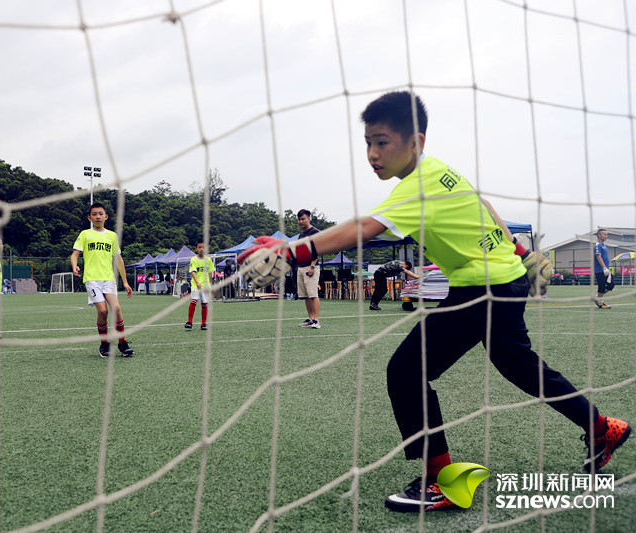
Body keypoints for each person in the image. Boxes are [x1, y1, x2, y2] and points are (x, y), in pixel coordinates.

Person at [237, 91, 630, 513]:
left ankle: (439, 480)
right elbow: (483, 205)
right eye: (367, 142)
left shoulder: (415, 188)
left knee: (406, 371)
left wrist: (293, 251)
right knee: (517, 365)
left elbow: (364, 228)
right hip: (505, 280)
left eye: (382, 142)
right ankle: (601, 427)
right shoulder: (440, 170)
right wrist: (519, 251)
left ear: (416, 142)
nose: (372, 153)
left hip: (482, 288)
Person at [71, 202, 134, 357]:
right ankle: (104, 344)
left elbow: (118, 259)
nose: (98, 216)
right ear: (89, 218)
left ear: (106, 217)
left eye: (100, 214)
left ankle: (122, 343)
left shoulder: (112, 236)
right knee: (103, 311)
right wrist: (74, 266)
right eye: (94, 214)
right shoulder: (85, 234)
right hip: (92, 279)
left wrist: (125, 282)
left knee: (116, 309)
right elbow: (74, 254)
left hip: (109, 279)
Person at [296, 209, 321, 329]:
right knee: (305, 295)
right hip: (301, 267)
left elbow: (317, 250)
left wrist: (312, 266)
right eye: (299, 219)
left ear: (309, 219)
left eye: (303, 219)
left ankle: (316, 320)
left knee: (313, 294)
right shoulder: (301, 234)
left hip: (310, 267)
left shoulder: (315, 232)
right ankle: (311, 319)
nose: (301, 221)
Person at [185, 239, 215, 330]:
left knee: (204, 304)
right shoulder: (193, 259)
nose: (201, 249)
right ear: (196, 249)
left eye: (203, 247)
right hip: (196, 285)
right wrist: (197, 282)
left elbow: (210, 273)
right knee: (193, 301)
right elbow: (193, 272)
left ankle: (203, 324)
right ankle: (190, 322)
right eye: (199, 247)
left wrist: (210, 285)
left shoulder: (208, 260)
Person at [593, 229, 612, 309]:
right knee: (601, 286)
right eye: (605, 234)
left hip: (606, 270)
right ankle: (601, 303)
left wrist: (607, 269)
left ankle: (597, 297)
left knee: (611, 285)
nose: (606, 236)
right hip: (600, 270)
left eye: (607, 234)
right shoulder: (597, 245)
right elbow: (598, 256)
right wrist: (604, 268)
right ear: (599, 235)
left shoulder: (604, 245)